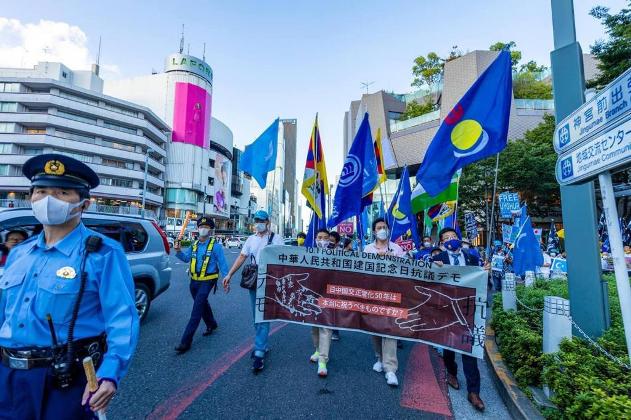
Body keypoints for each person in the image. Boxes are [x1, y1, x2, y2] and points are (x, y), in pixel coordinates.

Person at [0, 154, 139, 418]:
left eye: (62, 192)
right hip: (8, 376)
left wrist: (110, 374)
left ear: (83, 205)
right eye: (41, 191)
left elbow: (122, 319)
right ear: (31, 198)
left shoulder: (104, 253)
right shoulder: (20, 253)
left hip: (64, 380)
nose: (48, 200)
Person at [222, 210, 283, 372]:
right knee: (256, 316)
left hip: (270, 281)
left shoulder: (276, 239)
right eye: (256, 220)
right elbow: (242, 257)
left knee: (262, 315)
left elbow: (284, 259)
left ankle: (259, 352)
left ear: (268, 222)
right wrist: (229, 274)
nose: (258, 223)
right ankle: (261, 343)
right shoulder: (251, 239)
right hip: (254, 281)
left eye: (261, 220)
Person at [432, 227, 486, 412]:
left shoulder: (471, 257)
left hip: (469, 308)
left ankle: (474, 392)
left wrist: (486, 271)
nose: (450, 240)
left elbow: (482, 279)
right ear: (441, 243)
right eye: (446, 238)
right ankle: (452, 372)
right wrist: (434, 267)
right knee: (449, 346)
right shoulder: (438, 260)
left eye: (453, 237)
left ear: (459, 239)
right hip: (447, 309)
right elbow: (429, 280)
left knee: (469, 348)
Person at [172, 216, 228, 354]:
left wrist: (226, 278)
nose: (203, 229)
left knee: (196, 309)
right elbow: (186, 259)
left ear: (210, 230)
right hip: (194, 281)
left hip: (208, 281)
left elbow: (222, 263)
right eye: (201, 227)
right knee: (202, 303)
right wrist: (178, 251)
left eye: (207, 227)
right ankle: (211, 324)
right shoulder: (194, 245)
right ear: (198, 229)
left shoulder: (216, 247)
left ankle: (185, 341)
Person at [364, 217, 406, 387]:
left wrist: (392, 259)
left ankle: (390, 369)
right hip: (373, 295)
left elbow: (407, 268)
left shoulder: (397, 248)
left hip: (392, 295)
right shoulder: (368, 249)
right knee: (375, 328)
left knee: (389, 329)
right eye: (379, 227)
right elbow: (363, 269)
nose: (382, 229)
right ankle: (379, 358)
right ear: (374, 231)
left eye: (385, 227)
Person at [306, 228, 334, 376]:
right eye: (319, 237)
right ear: (315, 239)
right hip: (312, 295)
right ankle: (317, 350)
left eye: (325, 237)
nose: (322, 240)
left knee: (326, 327)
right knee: (315, 326)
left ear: (329, 240)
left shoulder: (336, 254)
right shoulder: (308, 254)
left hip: (329, 296)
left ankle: (323, 360)